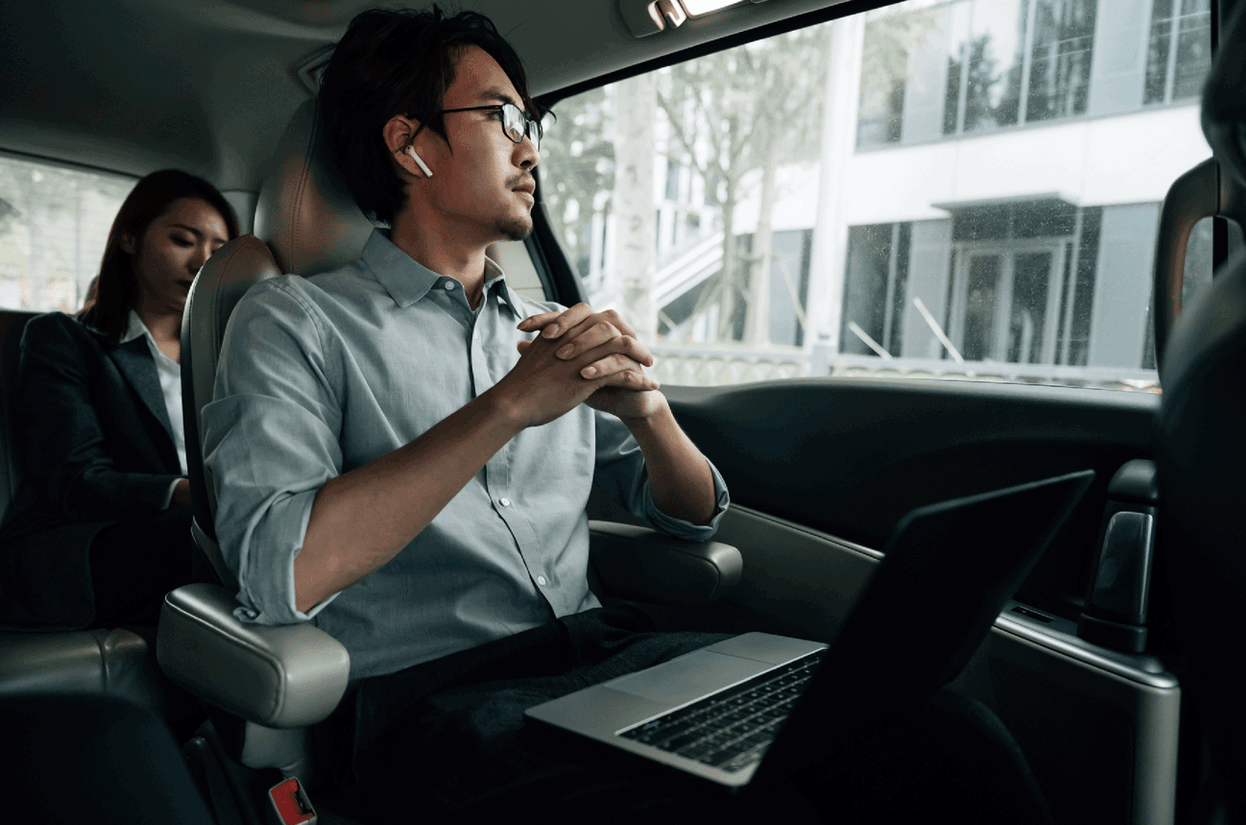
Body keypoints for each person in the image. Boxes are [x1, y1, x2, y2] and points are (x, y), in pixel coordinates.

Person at [202, 8, 1053, 822]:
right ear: (410, 144)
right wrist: (507, 406)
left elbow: (689, 518)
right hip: (431, 704)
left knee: (945, 734)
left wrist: (650, 413)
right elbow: (283, 570)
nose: (530, 148)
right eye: (502, 117)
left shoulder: (541, 331)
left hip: (605, 657)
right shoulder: (293, 321)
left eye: (531, 121)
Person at [0, 169, 237, 630]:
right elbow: (76, 481)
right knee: (227, 536)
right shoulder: (63, 339)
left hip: (198, 531)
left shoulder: (228, 356)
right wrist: (196, 493)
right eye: (183, 241)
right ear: (129, 238)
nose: (201, 263)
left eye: (218, 251)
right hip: (85, 546)